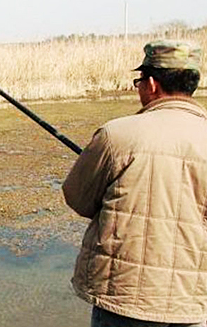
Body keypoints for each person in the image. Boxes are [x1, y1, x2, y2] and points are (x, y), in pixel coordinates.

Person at [63, 40, 207, 327]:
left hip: (124, 299)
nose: (139, 87)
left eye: (139, 81)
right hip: (195, 301)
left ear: (152, 84)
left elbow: (77, 198)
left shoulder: (116, 135)